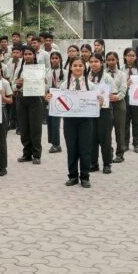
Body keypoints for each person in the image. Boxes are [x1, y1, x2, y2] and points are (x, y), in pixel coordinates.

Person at [46, 57, 96, 188]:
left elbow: (96, 104)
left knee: (85, 149)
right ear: (70, 67)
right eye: (75, 65)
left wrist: (100, 102)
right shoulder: (64, 85)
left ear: (84, 67)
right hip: (69, 120)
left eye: (80, 65)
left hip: (86, 120)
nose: (78, 68)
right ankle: (73, 176)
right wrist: (50, 98)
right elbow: (59, 101)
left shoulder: (91, 85)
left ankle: (85, 177)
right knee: (71, 148)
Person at [15, 46, 46, 165]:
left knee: (35, 128)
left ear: (34, 55)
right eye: (25, 54)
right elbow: (13, 84)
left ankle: (36, 155)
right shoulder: (20, 69)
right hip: (22, 98)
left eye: (30, 54)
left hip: (35, 99)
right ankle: (26, 154)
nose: (27, 56)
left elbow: (46, 85)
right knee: (24, 128)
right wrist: (18, 84)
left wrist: (43, 83)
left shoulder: (40, 69)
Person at [88, 54, 115, 174]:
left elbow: (113, 93)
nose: (93, 64)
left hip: (105, 110)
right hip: (90, 110)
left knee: (105, 138)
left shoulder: (107, 77)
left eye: (96, 61)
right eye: (91, 61)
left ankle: (107, 164)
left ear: (102, 62)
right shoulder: (86, 76)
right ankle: (93, 163)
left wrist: (110, 96)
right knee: (92, 138)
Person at [105, 52, 128, 164]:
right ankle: (108, 153)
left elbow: (124, 89)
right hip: (106, 103)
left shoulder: (122, 74)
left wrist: (117, 97)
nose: (111, 62)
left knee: (120, 130)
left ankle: (120, 154)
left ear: (117, 60)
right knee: (106, 130)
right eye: (108, 60)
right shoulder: (103, 73)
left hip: (119, 103)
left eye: (113, 59)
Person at [46, 51, 65, 153]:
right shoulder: (46, 71)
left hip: (61, 100)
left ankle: (56, 145)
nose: (54, 60)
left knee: (55, 123)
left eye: (56, 58)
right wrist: (45, 95)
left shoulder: (65, 72)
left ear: (60, 60)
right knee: (50, 121)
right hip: (49, 98)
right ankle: (53, 142)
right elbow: (44, 85)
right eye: (52, 58)